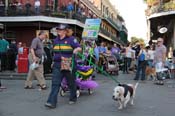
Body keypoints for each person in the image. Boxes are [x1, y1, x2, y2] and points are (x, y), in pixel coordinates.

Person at [45, 24, 82, 108]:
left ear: (65, 31)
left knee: (71, 83)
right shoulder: (55, 41)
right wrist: (53, 62)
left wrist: (76, 49)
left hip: (69, 64)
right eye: (58, 29)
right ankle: (51, 102)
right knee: (55, 83)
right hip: (57, 64)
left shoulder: (71, 39)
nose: (59, 31)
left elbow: (79, 48)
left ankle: (73, 97)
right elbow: (54, 52)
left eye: (61, 30)